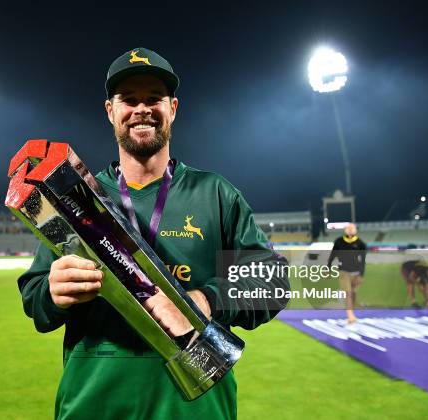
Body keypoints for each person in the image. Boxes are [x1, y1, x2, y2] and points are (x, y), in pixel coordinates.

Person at [17, 47, 290, 420]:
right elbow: (35, 302)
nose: (141, 109)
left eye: (154, 99)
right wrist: (52, 291)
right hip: (94, 406)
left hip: (196, 409)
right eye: (129, 99)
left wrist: (205, 300)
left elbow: (272, 281)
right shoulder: (74, 198)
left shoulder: (215, 193)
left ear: (172, 108)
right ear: (110, 112)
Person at [327, 223, 367, 324]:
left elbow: (363, 261)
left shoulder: (361, 244)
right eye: (348, 228)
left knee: (353, 293)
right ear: (345, 230)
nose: (350, 230)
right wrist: (328, 269)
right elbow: (332, 256)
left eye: (352, 228)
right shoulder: (339, 241)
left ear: (355, 230)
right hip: (344, 272)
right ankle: (350, 316)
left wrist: (361, 275)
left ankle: (351, 313)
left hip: (356, 273)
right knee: (348, 293)